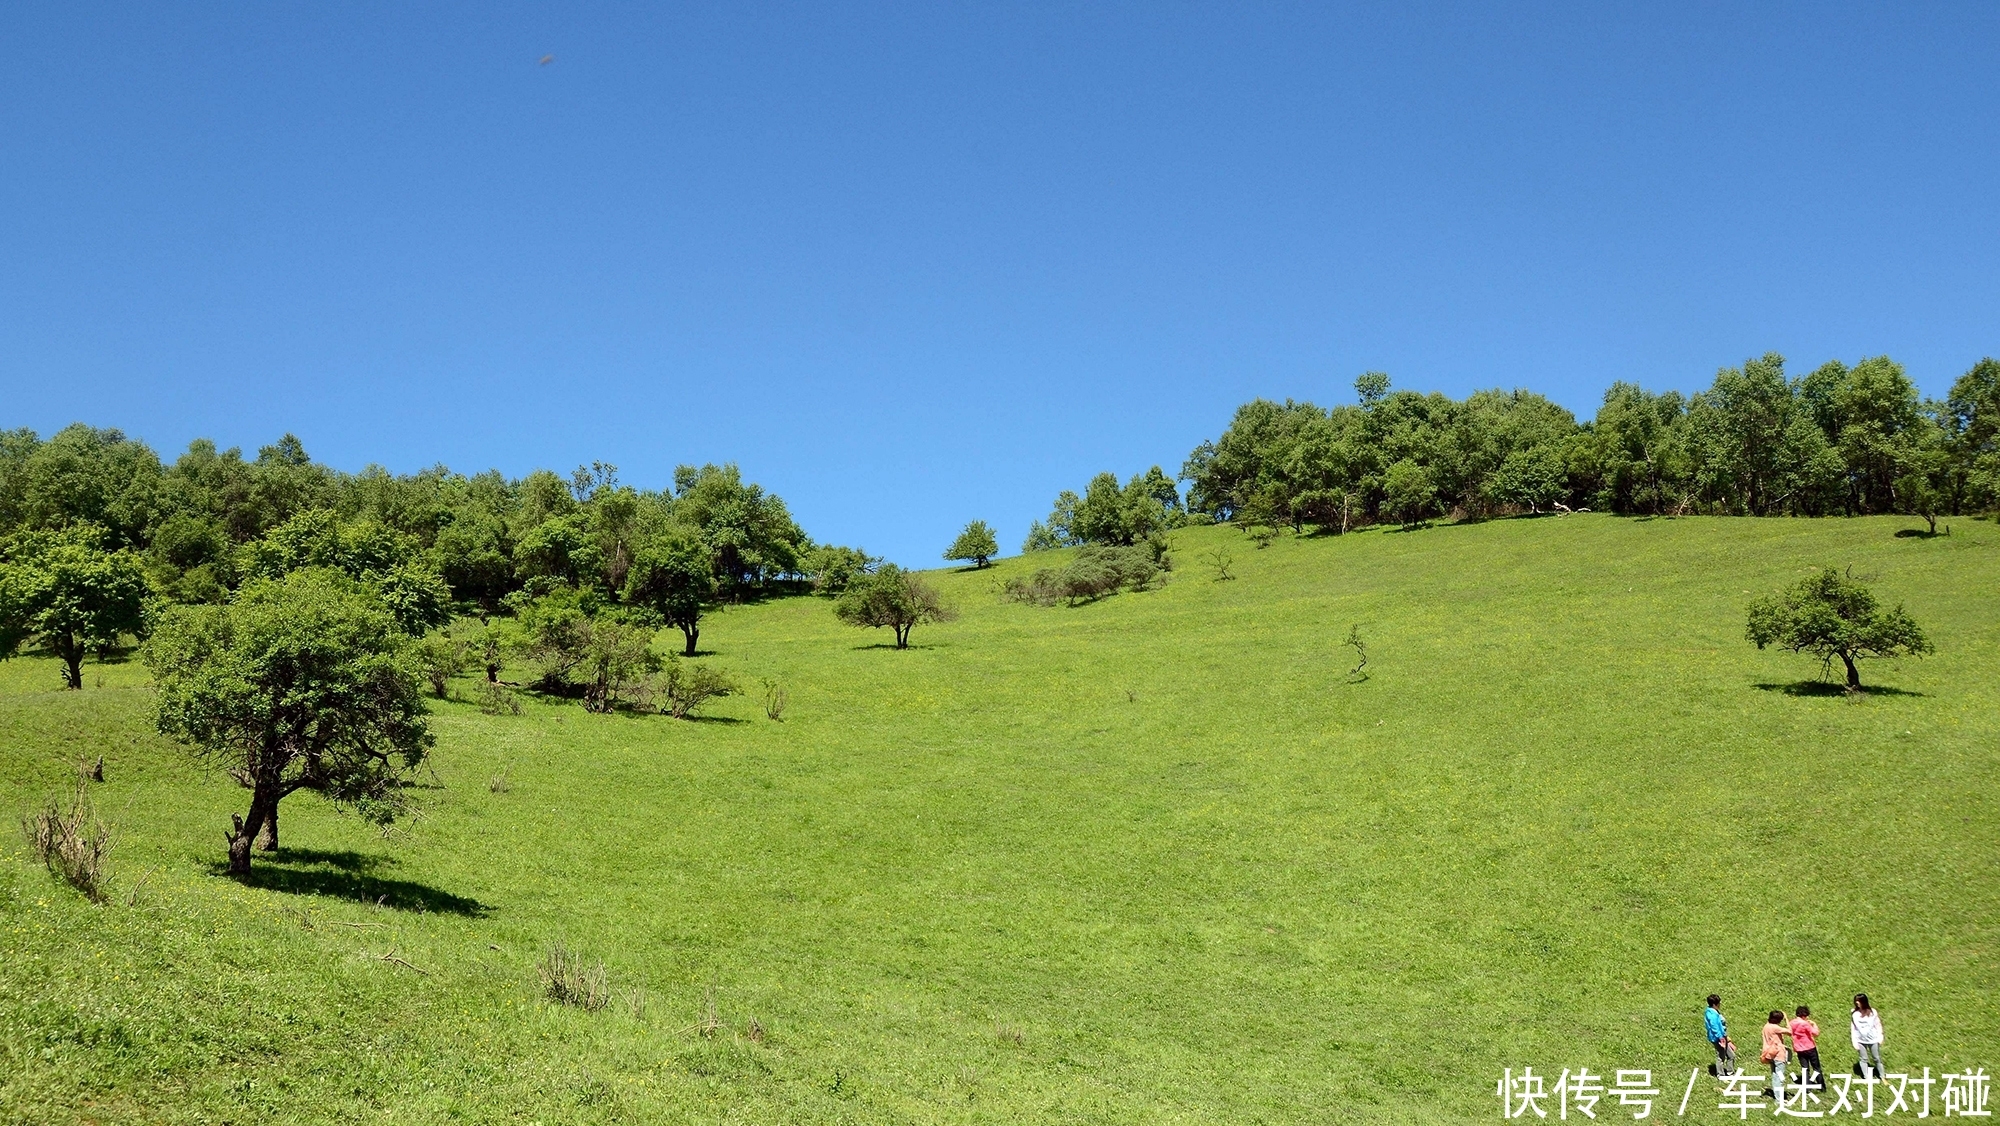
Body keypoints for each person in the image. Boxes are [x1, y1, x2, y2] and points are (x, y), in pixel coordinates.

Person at [1851, 995, 1885, 1079]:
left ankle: (1882, 1076)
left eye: (1859, 1001)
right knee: (1863, 1059)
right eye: (1856, 1001)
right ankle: (1866, 1077)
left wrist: (1880, 1036)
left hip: (1873, 1040)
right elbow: (1853, 1028)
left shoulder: (1872, 1012)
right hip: (1860, 1040)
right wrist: (1854, 1041)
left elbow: (1878, 1024)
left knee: (1876, 1058)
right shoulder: (1854, 1014)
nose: (1857, 1003)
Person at [1790, 1005, 1823, 1090]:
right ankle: (1821, 1086)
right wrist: (1814, 1024)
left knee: (1805, 1069)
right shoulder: (1805, 1024)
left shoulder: (1792, 1023)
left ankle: (1807, 1088)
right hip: (1810, 1048)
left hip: (1799, 1049)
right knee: (1816, 1067)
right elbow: (1816, 1033)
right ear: (1804, 1015)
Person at [1704, 995, 1738, 1075]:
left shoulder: (1715, 1012)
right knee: (1721, 1057)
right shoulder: (1711, 1015)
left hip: (1722, 1037)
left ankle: (1730, 1073)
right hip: (1718, 1039)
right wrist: (1721, 1038)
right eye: (1719, 1003)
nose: (1720, 1004)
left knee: (1731, 1056)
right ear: (1714, 1004)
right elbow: (1715, 1027)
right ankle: (1721, 1075)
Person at [1761, 1010, 1790, 1101]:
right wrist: (1786, 1019)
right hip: (1778, 1055)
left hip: (1770, 1054)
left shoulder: (1766, 1026)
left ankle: (1777, 1095)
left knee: (1774, 1076)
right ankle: (1779, 1099)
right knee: (1780, 1077)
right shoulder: (1775, 1028)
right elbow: (1790, 1032)